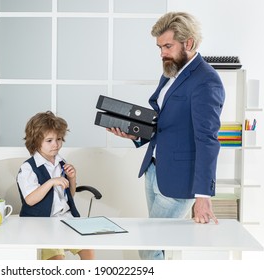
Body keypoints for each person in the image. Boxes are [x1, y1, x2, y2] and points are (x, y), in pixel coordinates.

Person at [107, 12, 225, 260]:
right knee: (157, 243)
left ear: (189, 43)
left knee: (148, 246)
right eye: (160, 47)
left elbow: (208, 140)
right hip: (154, 171)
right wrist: (135, 135)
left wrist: (203, 196)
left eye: (168, 46)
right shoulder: (172, 72)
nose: (162, 53)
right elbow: (166, 123)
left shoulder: (207, 81)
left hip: (179, 182)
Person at [16, 111, 95, 260]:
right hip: (42, 223)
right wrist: (51, 182)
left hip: (66, 218)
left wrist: (72, 178)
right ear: (36, 141)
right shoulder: (28, 168)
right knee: (57, 257)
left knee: (88, 250)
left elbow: (69, 196)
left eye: (59, 139)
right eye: (49, 140)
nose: (56, 144)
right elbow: (30, 200)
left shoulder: (61, 162)